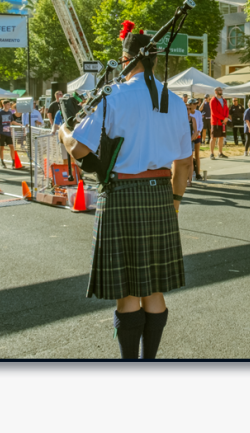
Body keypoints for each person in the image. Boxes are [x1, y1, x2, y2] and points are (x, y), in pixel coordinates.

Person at [59, 23, 193, 360]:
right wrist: (174, 200)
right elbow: (185, 165)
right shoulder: (176, 102)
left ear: (126, 59)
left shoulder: (114, 96)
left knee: (129, 292)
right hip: (161, 195)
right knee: (154, 289)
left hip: (121, 194)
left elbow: (77, 148)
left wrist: (63, 130)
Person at [208, 86, 230, 160]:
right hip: (216, 123)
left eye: (221, 90)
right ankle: (211, 153)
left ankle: (220, 153)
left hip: (223, 123)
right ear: (216, 91)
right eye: (219, 90)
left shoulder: (224, 101)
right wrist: (223, 118)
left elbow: (227, 109)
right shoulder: (213, 100)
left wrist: (226, 118)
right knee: (213, 138)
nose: (221, 91)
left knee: (221, 138)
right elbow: (214, 112)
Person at [0, 100, 17, 169]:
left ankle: (13, 162)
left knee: (11, 146)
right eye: (7, 104)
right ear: (3, 105)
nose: (9, 106)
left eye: (9, 104)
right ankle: (2, 162)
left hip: (8, 133)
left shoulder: (10, 112)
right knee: (1, 147)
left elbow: (12, 121)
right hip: (1, 132)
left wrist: (19, 124)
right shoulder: (0, 113)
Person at [187, 98, 203, 180]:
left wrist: (198, 132)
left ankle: (198, 173)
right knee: (190, 155)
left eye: (197, 103)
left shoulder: (198, 113)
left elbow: (200, 123)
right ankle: (190, 174)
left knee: (197, 154)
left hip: (198, 135)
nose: (196, 105)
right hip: (190, 135)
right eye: (194, 103)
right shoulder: (187, 114)